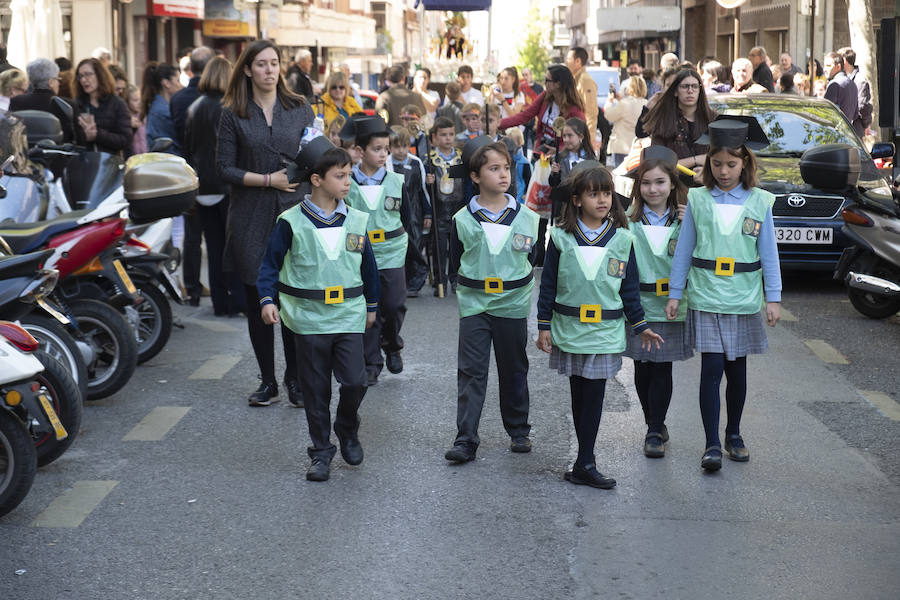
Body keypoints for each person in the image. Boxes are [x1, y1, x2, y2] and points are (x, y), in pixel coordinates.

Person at [257, 137, 379, 482]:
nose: (347, 182)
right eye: (340, 176)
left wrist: (371, 305)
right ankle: (321, 452)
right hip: (307, 320)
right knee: (315, 391)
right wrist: (267, 300)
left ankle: (347, 427)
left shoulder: (357, 219)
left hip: (349, 316)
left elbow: (368, 267)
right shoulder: (290, 221)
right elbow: (269, 265)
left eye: (349, 175)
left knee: (355, 381)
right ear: (317, 180)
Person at [665, 115, 782, 471]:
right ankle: (712, 443)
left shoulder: (760, 201)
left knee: (737, 371)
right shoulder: (698, 199)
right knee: (711, 369)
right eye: (716, 164)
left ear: (745, 162)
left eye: (731, 164)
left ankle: (734, 433)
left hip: (743, 298)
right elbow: (685, 249)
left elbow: (769, 252)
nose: (724, 171)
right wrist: (675, 291)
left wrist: (772, 297)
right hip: (705, 295)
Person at [536, 161, 662, 488]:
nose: (602, 200)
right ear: (577, 199)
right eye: (594, 194)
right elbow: (548, 284)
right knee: (579, 393)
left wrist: (640, 325)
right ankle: (583, 461)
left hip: (605, 332)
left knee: (594, 394)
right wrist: (543, 324)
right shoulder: (561, 237)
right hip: (569, 328)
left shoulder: (622, 239)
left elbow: (630, 289)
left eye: (606, 193)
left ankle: (586, 460)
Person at [216, 39, 314, 407]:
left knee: (290, 295)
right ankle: (268, 380)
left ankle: (295, 379)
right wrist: (267, 179)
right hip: (250, 213)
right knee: (259, 295)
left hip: (294, 212)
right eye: (261, 64)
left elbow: (313, 156)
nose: (270, 70)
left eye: (274, 63)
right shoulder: (232, 112)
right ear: (247, 69)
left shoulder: (300, 108)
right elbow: (222, 168)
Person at [444, 138, 539, 463]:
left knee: (514, 369)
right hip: (475, 307)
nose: (503, 175)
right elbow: (455, 263)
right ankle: (466, 439)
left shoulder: (528, 217)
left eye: (506, 168)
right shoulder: (461, 219)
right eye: (493, 168)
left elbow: (534, 258)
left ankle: (519, 431)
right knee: (471, 371)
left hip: (512, 306)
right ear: (475, 176)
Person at [623, 146, 693, 457]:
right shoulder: (626, 220)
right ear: (638, 187)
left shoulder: (686, 219)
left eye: (660, 182)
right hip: (638, 304)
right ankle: (653, 421)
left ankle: (654, 429)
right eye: (646, 183)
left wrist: (692, 222)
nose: (653, 189)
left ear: (673, 185)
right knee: (642, 367)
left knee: (662, 366)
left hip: (671, 304)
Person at [340, 115, 409, 385]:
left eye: (386, 149)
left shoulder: (397, 180)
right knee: (368, 307)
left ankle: (392, 344)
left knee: (393, 305)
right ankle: (371, 362)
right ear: (360, 152)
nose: (383, 154)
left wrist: (415, 261)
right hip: (359, 253)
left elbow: (408, 218)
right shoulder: (347, 182)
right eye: (377, 149)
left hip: (392, 251)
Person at [184, 55, 246, 318]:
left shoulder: (194, 108)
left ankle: (220, 303)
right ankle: (239, 300)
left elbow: (188, 149)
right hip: (227, 186)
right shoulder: (229, 108)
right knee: (233, 247)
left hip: (202, 187)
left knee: (213, 245)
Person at [171, 47, 215, 307]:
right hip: (214, 174)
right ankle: (222, 290)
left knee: (192, 235)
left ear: (190, 69)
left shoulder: (178, 99)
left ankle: (192, 288)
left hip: (186, 172)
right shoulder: (219, 99)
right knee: (217, 235)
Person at [499, 64, 586, 156]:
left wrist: (559, 151)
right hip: (541, 152)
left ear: (558, 84)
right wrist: (498, 123)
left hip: (561, 159)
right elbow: (524, 116)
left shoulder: (575, 111)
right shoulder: (545, 97)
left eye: (547, 80)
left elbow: (579, 139)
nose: (544, 83)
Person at [643, 69, 717, 173]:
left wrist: (706, 172)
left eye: (695, 86)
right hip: (675, 184)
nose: (690, 91)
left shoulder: (714, 120)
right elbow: (657, 163)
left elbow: (725, 160)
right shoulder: (663, 121)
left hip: (707, 184)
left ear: (700, 90)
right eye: (685, 86)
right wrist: (696, 160)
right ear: (676, 91)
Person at [389, 125, 432, 298]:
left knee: (415, 245)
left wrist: (428, 213)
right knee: (399, 247)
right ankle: (402, 281)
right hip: (394, 212)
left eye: (404, 146)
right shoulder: (387, 163)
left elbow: (423, 190)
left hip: (415, 212)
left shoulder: (416, 162)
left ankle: (416, 280)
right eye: (396, 146)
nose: (401, 150)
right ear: (390, 147)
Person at [424, 117, 464, 293]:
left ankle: (455, 278)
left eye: (451, 134)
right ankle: (440, 279)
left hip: (457, 206)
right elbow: (423, 188)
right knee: (439, 247)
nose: (447, 138)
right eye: (443, 135)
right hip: (439, 208)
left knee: (457, 247)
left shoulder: (461, 158)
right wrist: (428, 182)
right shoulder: (430, 159)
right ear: (434, 137)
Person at [73, 58, 132, 155]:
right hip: (84, 163)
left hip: (109, 164)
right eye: (80, 76)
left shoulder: (117, 104)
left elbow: (125, 140)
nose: (84, 80)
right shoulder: (77, 104)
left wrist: (97, 135)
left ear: (100, 75)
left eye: (88, 74)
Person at [9, 58, 75, 142]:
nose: (58, 83)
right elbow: (76, 140)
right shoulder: (66, 105)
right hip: (58, 153)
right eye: (57, 79)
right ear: (50, 82)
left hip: (25, 152)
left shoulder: (15, 101)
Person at [548, 117, 596, 223]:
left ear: (581, 137)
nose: (565, 139)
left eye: (570, 136)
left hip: (584, 209)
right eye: (564, 136)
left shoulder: (590, 159)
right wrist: (554, 173)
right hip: (563, 209)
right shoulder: (559, 158)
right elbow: (553, 184)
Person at [604, 76, 647, 166]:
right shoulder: (647, 103)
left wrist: (609, 101)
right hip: (641, 147)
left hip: (622, 148)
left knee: (621, 177)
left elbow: (609, 115)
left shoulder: (624, 103)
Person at [140, 62, 182, 154]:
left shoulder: (161, 106)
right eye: (178, 81)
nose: (181, 85)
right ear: (166, 83)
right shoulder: (162, 111)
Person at [565, 47, 599, 151]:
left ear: (578, 61)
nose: (566, 62)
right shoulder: (575, 80)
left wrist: (588, 140)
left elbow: (591, 113)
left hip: (581, 139)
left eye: (568, 59)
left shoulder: (585, 80)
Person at [838, 47, 873, 137]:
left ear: (844, 61)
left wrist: (864, 125)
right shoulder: (840, 79)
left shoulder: (859, 80)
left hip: (854, 131)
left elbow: (863, 106)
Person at [823, 52, 859, 125]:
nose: (825, 69)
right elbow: (855, 115)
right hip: (847, 130)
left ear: (838, 67)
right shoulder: (852, 84)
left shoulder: (834, 84)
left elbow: (825, 112)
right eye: (824, 66)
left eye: (828, 66)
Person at [505, 127, 532, 205]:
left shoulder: (524, 162)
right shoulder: (507, 157)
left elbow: (528, 179)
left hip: (520, 194)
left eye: (512, 141)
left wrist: (526, 192)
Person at [125, 84, 146, 155]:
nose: (139, 103)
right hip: (133, 156)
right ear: (128, 101)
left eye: (140, 99)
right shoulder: (126, 118)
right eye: (135, 100)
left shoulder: (145, 116)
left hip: (146, 154)